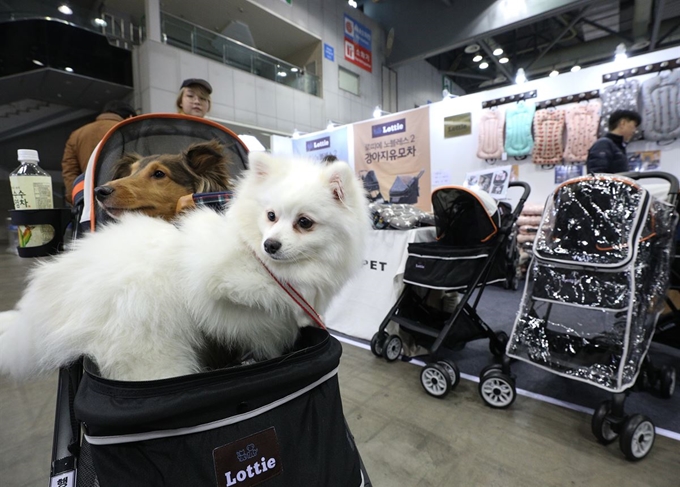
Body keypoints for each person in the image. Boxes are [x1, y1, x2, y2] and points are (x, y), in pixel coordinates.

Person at [61, 100, 136, 204]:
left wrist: (78, 199)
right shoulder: (129, 131)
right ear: (130, 116)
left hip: (88, 200)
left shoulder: (76, 135)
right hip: (121, 199)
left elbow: (70, 171)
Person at [586, 109, 641, 174]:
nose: (634, 130)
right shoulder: (603, 144)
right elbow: (597, 175)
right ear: (622, 123)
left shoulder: (616, 146)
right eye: (634, 126)